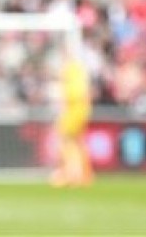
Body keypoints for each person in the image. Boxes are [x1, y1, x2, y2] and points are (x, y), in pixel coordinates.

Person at [50, 46, 95, 188]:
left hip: (74, 112)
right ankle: (83, 173)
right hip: (79, 111)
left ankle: (72, 173)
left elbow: (77, 94)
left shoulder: (71, 70)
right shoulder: (77, 70)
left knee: (67, 141)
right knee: (77, 142)